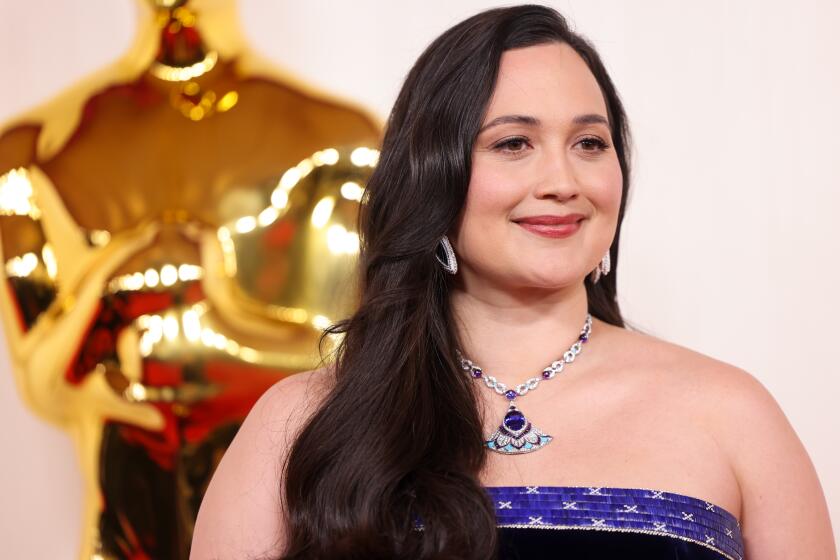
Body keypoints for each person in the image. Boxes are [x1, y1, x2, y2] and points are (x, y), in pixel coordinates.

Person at [190, 5, 836, 559]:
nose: (562, 181)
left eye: (589, 143)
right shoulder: (303, 420)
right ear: (431, 173)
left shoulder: (729, 413)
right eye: (512, 144)